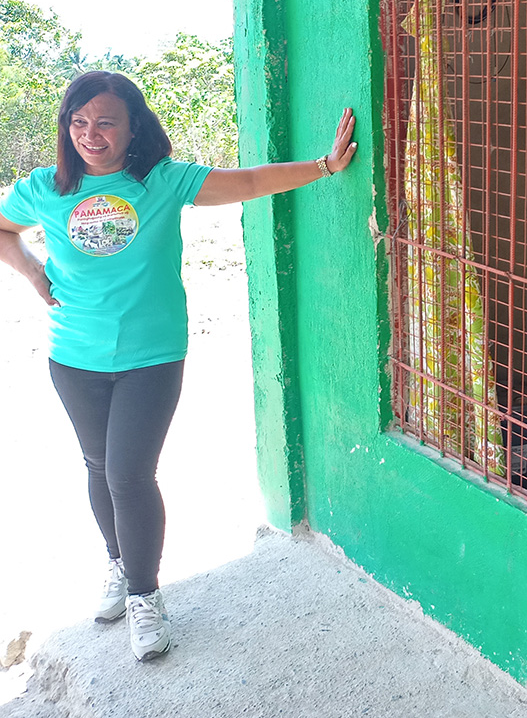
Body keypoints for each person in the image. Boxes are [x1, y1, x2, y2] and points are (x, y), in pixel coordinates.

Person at [0, 71, 356, 661]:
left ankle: (144, 595)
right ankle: (119, 564)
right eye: (80, 121)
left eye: (106, 121)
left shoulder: (162, 182)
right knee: (98, 466)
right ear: (67, 127)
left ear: (133, 126)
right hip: (73, 357)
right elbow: (3, 229)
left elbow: (247, 181)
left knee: (128, 475)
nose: (91, 133)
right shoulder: (43, 188)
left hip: (151, 355)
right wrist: (34, 272)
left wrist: (321, 166)